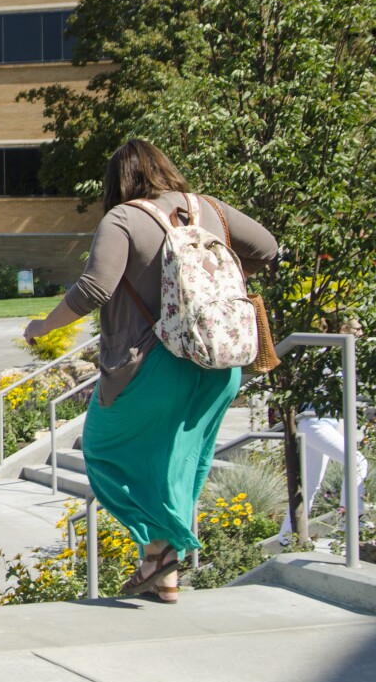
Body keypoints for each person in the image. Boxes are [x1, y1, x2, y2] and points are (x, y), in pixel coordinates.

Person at [22, 140, 277, 604]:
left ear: (117, 182)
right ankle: (162, 568)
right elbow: (268, 247)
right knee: (183, 460)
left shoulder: (123, 219)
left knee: (101, 450)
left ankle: (160, 549)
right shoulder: (211, 209)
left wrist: (43, 326)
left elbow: (94, 288)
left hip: (155, 362)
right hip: (220, 362)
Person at [279, 414, 368, 543]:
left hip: (319, 423)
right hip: (316, 422)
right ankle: (349, 524)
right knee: (358, 462)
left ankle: (288, 536)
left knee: (310, 484)